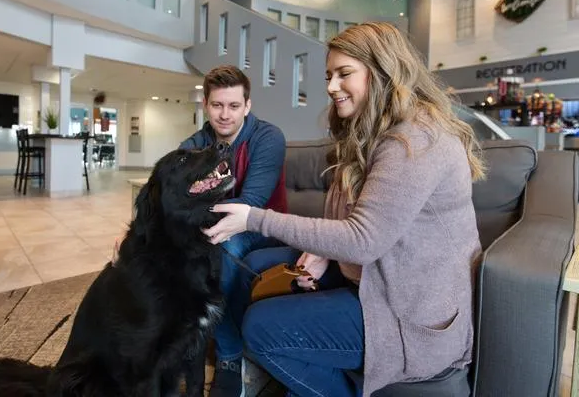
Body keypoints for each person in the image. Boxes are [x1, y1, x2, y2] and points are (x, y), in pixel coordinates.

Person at [203, 22, 485, 396]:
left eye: (344, 74)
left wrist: (255, 219)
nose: (331, 86)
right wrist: (320, 249)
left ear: (383, 71)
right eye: (329, 76)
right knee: (255, 268)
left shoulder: (416, 139)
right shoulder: (371, 133)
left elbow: (362, 240)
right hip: (375, 279)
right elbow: (351, 218)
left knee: (260, 327)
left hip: (408, 313)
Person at [179, 64, 287, 397]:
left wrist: (197, 215)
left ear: (247, 106)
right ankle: (181, 337)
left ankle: (229, 355)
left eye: (234, 106)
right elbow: (172, 194)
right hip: (216, 225)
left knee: (220, 254)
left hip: (263, 225)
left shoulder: (267, 137)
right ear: (205, 105)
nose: (225, 115)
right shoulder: (195, 144)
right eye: (217, 105)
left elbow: (251, 202)